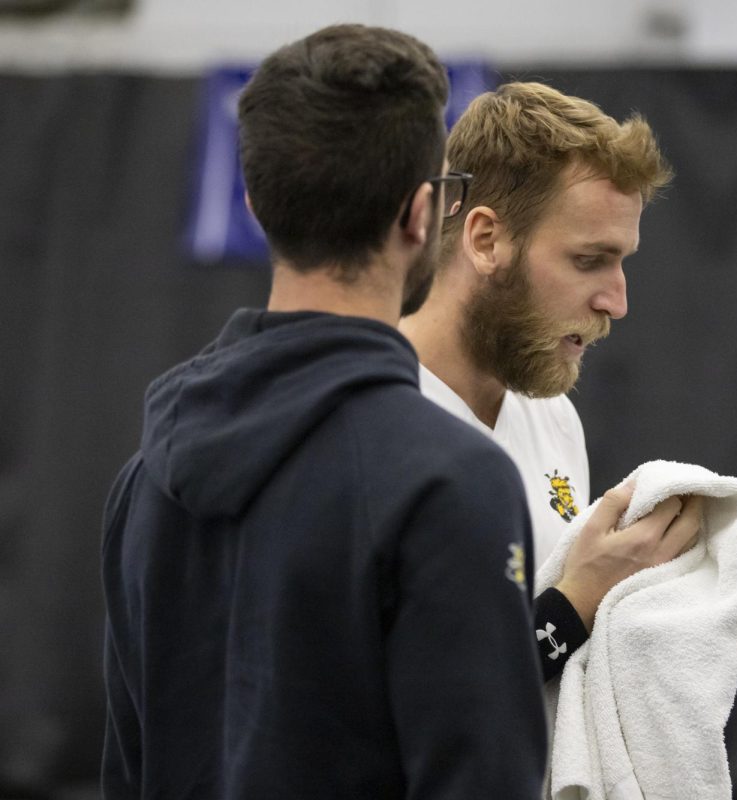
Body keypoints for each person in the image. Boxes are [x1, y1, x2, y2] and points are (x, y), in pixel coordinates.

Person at [101, 25, 546, 799]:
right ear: (420, 215)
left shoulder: (141, 482)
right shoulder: (454, 481)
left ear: (256, 204)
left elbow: (128, 774)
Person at [400, 82, 702, 682]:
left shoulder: (552, 415)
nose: (616, 302)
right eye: (589, 260)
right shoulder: (367, 422)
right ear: (486, 240)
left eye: (623, 262)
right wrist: (579, 600)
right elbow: (394, 696)